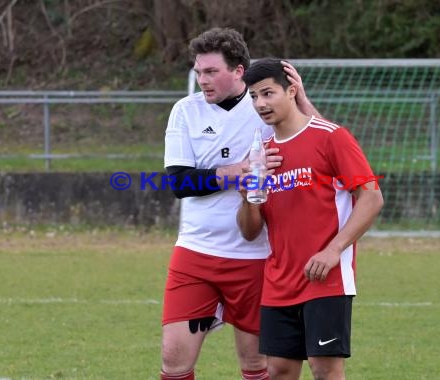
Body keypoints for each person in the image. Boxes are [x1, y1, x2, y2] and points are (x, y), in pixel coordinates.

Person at [161, 29, 321, 380]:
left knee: (256, 365)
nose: (202, 80)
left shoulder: (264, 107)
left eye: (211, 72)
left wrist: (303, 101)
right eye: (198, 71)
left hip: (257, 258)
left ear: (238, 71)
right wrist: (235, 173)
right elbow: (178, 181)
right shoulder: (186, 111)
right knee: (173, 363)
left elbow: (321, 146)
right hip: (195, 253)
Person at [237, 58, 384, 380]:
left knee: (325, 368)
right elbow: (250, 231)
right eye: (253, 96)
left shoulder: (331, 137)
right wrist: (246, 197)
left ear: (292, 91)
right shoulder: (261, 154)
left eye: (268, 93)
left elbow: (371, 198)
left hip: (326, 277)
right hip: (279, 280)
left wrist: (334, 250)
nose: (260, 103)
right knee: (278, 370)